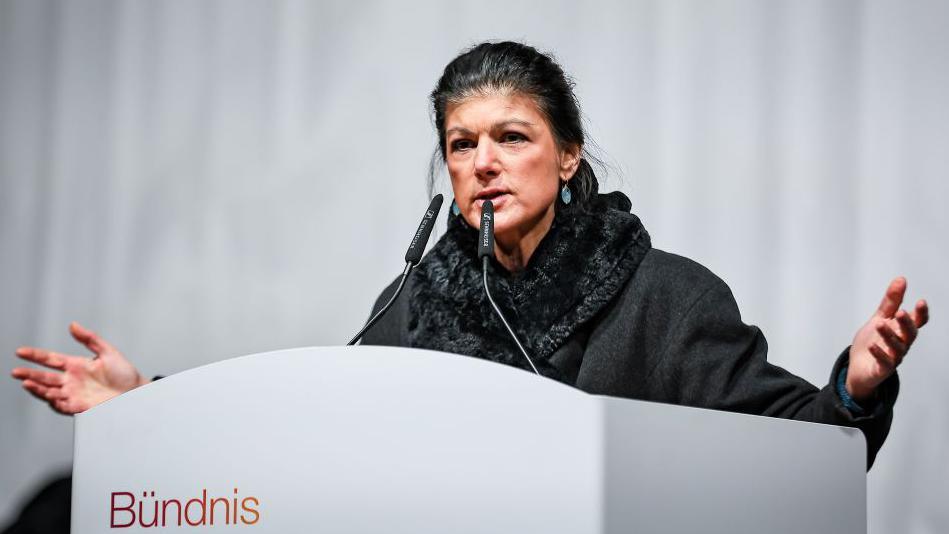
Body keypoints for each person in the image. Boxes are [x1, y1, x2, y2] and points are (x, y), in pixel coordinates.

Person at [11, 41, 929, 469]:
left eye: (511, 137)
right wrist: (151, 407)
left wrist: (854, 385)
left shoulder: (667, 297)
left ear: (568, 154)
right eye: (461, 143)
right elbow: (307, 433)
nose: (483, 162)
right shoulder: (414, 301)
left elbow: (795, 463)